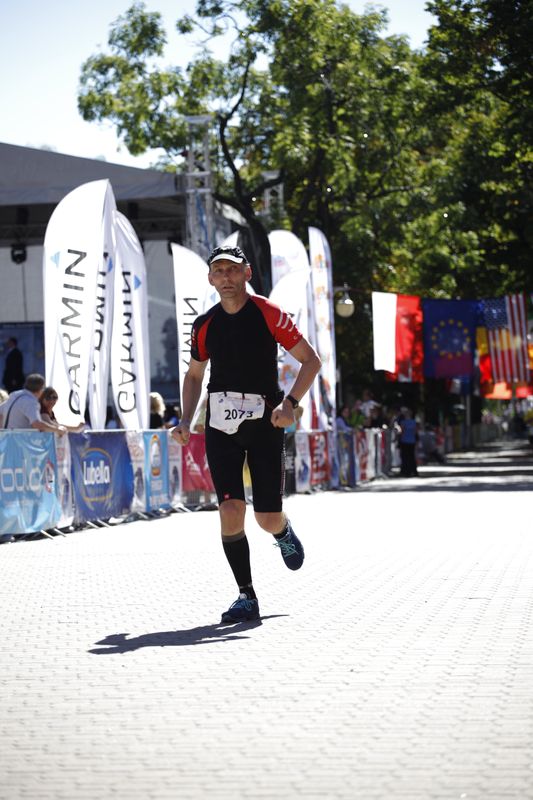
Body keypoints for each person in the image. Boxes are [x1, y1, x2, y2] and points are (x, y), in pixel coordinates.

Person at [171, 244, 321, 624]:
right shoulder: (204, 324)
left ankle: (282, 531)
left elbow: (310, 360)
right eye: (219, 271)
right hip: (220, 426)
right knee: (229, 510)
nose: (227, 278)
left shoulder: (268, 313)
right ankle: (246, 595)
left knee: (265, 517)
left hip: (264, 425)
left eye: (233, 270)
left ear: (247, 273)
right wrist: (185, 420)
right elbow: (194, 375)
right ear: (210, 278)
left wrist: (289, 403)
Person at [0, 373, 67, 434]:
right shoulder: (31, 402)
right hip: (20, 441)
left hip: (7, 440)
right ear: (41, 388)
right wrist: (57, 430)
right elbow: (37, 424)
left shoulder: (14, 395)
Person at [397, 407, 418, 477]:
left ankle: (406, 471)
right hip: (412, 441)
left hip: (404, 441)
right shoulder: (414, 422)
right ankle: (413, 471)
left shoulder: (403, 422)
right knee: (411, 456)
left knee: (405, 457)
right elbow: (415, 432)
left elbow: (401, 431)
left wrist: (398, 437)